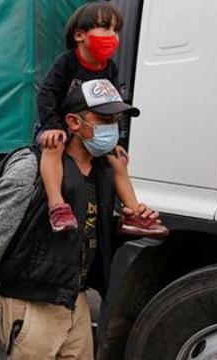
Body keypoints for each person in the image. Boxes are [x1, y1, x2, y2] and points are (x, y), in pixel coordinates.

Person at [0, 80, 162, 359]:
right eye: (104, 118)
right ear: (74, 122)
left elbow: (86, 231)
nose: (113, 126)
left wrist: (126, 223)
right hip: (31, 304)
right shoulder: (29, 166)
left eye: (116, 119)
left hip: (76, 301)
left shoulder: (105, 171)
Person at [35, 3, 167, 237]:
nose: (113, 37)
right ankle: (57, 207)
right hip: (59, 126)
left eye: (116, 31)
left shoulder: (110, 68)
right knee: (52, 147)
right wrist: (52, 126)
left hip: (90, 129)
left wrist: (114, 141)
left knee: (117, 160)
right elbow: (46, 93)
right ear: (79, 35)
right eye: (105, 28)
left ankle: (134, 212)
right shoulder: (67, 62)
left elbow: (112, 103)